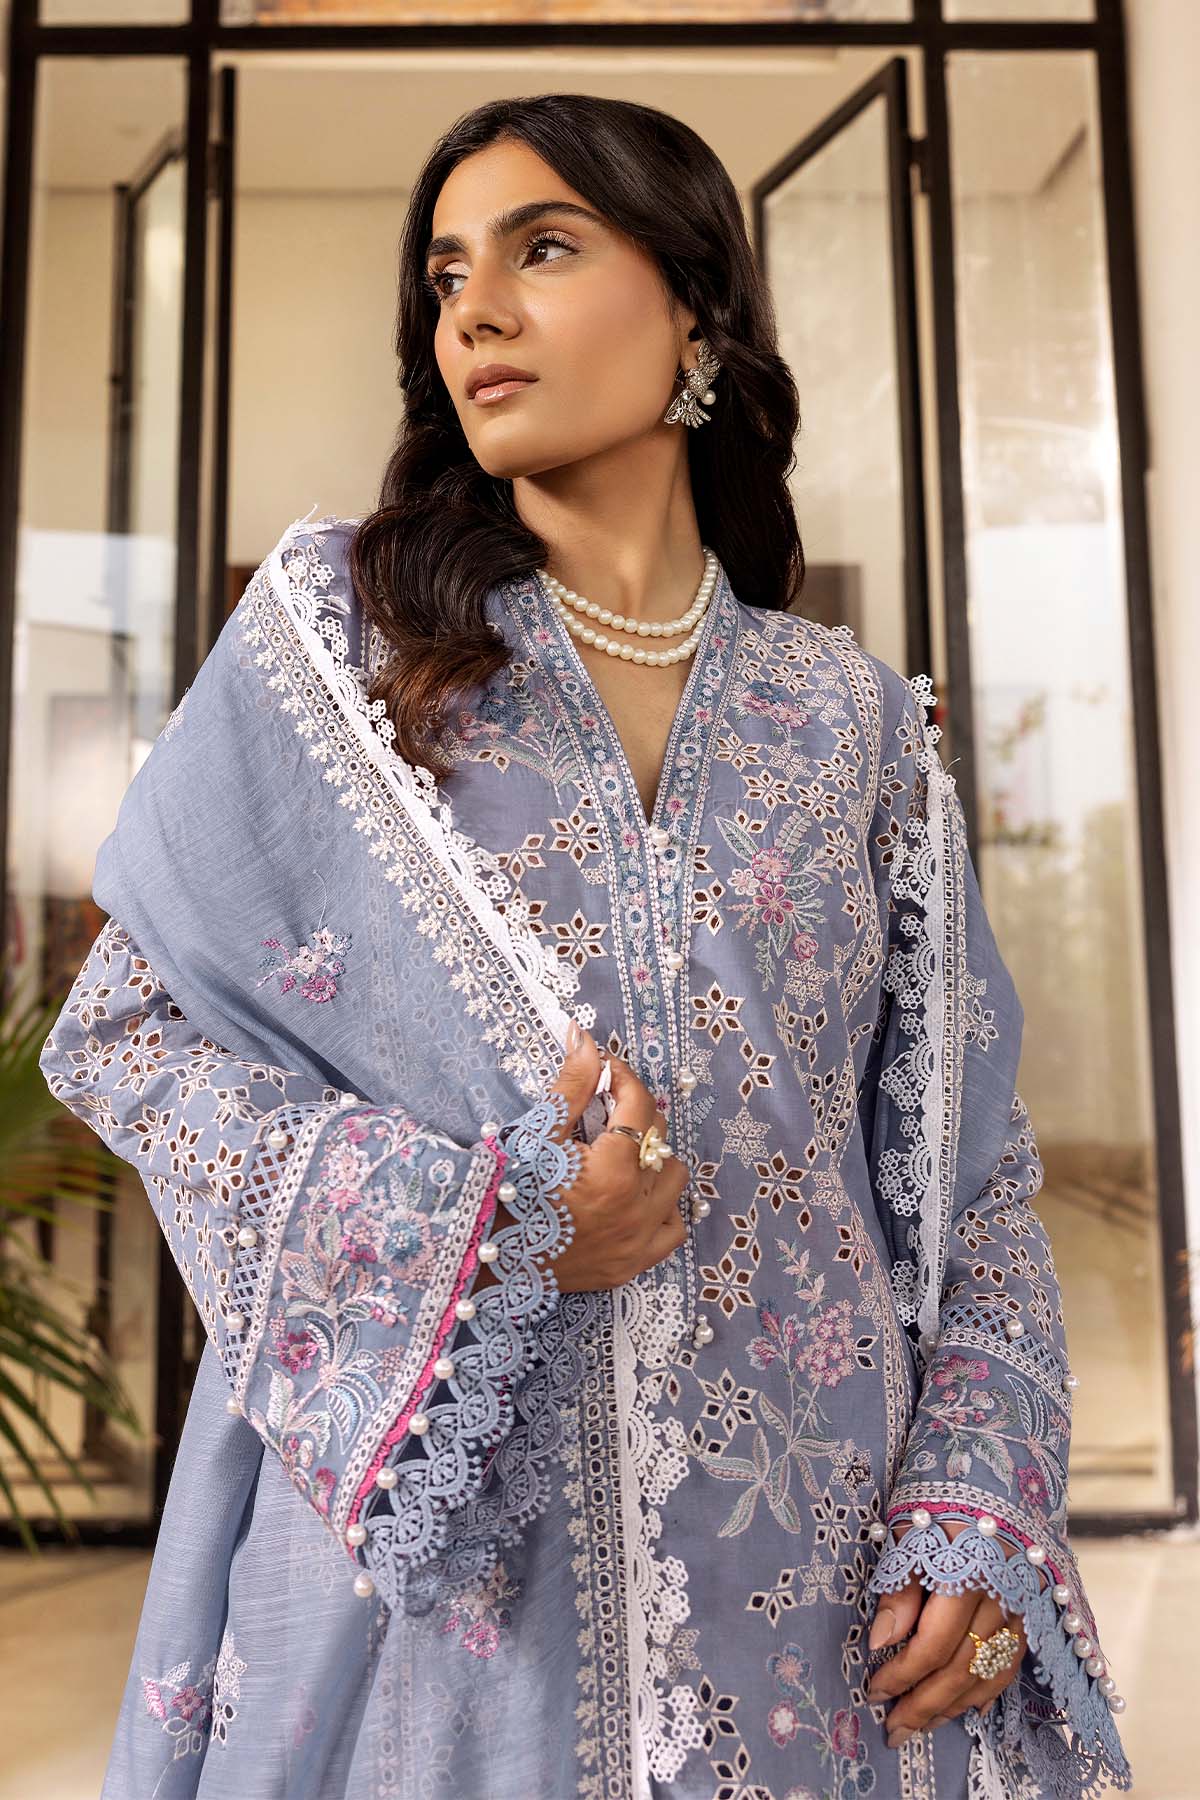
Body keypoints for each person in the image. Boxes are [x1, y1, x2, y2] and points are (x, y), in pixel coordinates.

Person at [39, 92, 1130, 1800]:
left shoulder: (852, 723)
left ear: (696, 310)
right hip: (456, 1607)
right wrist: (494, 1233)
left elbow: (966, 1177)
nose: (473, 310)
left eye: (541, 249)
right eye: (445, 275)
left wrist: (978, 1498)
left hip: (817, 1589)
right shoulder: (342, 651)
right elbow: (125, 1038)